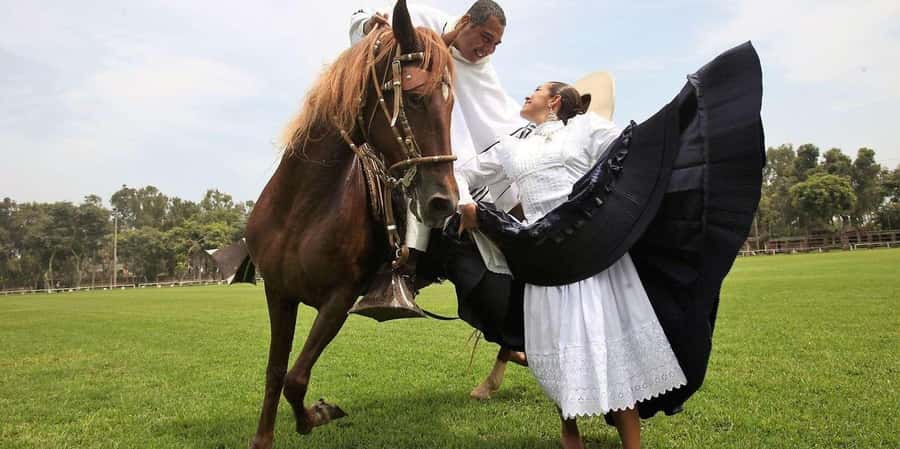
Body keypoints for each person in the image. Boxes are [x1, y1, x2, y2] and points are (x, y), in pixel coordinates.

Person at [456, 81, 688, 449]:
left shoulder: (585, 128)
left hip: (589, 253)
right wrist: (466, 207)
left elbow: (630, 152)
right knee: (559, 345)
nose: (526, 94)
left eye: (536, 90)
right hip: (542, 260)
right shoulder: (512, 144)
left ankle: (633, 445)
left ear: (555, 101)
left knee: (611, 346)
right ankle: (569, 430)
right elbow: (462, 174)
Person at [351, 1, 530, 398]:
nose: (488, 50)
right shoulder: (423, 20)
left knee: (439, 173)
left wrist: (529, 142)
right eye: (485, 38)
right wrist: (371, 27)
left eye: (497, 44)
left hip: (457, 154)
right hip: (408, 131)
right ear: (466, 21)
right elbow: (362, 16)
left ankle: (413, 269)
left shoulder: (482, 70)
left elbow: (496, 117)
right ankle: (397, 269)